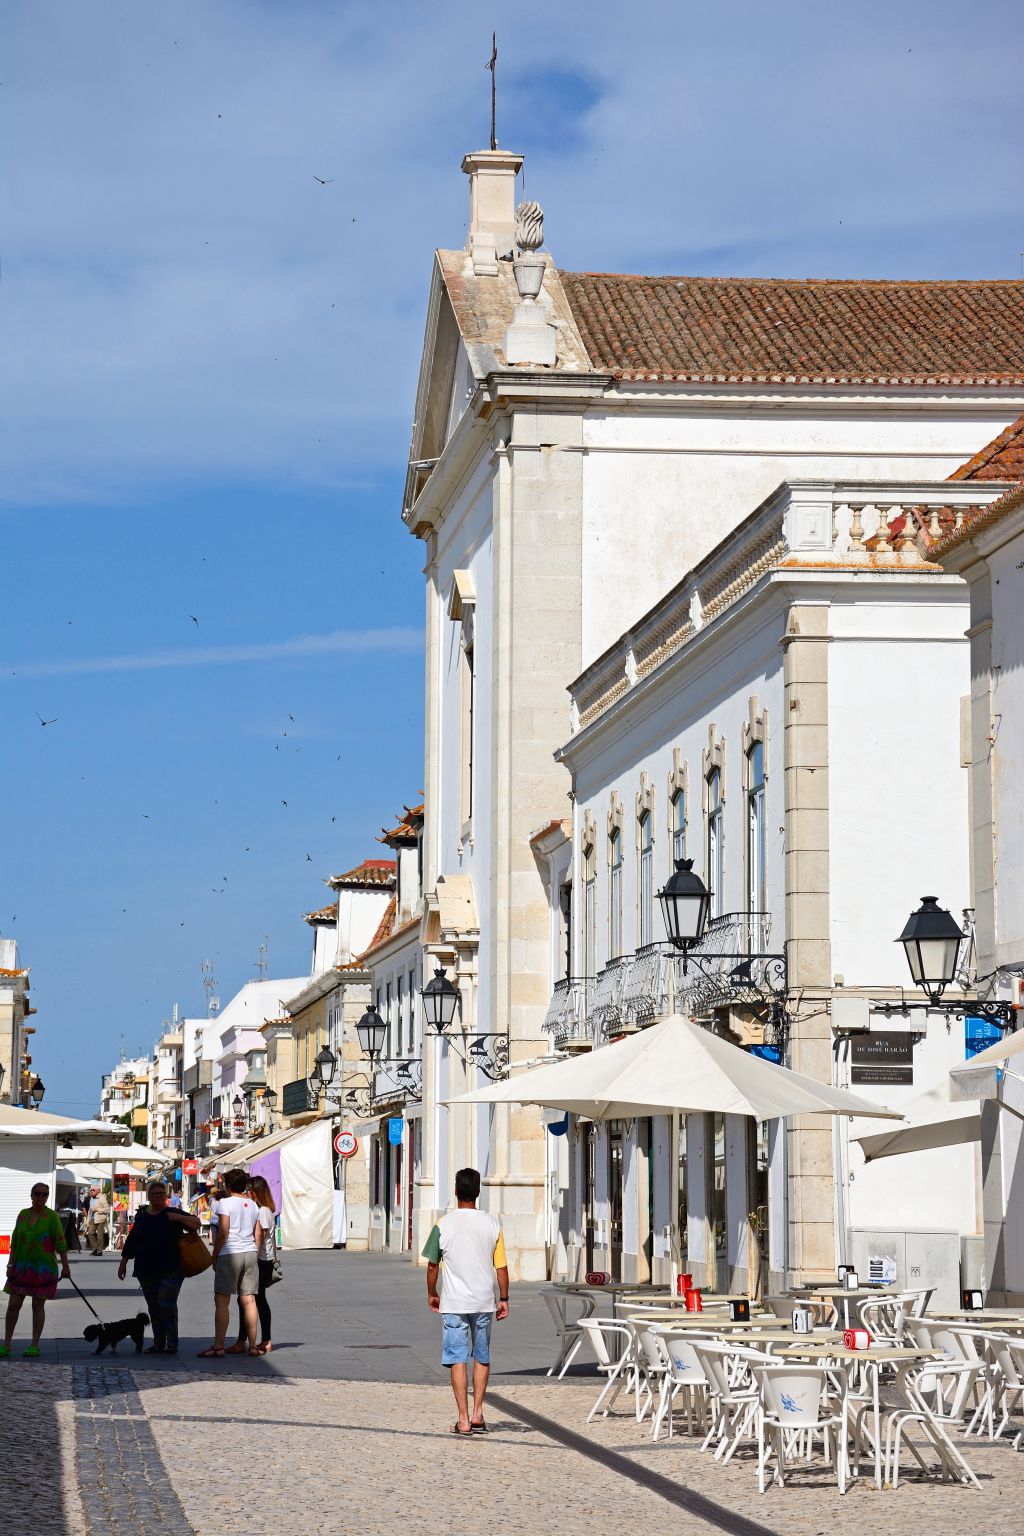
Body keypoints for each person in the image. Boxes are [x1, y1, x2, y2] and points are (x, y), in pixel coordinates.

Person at [422, 1167, 509, 1436]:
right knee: (481, 1356)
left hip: (454, 1303)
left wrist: (432, 1293)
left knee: (457, 1358)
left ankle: (462, 1419)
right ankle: (478, 1412)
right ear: (478, 1192)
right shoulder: (492, 1224)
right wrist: (503, 1298)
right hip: (484, 1301)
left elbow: (432, 1265)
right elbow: (501, 1268)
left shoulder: (443, 1225)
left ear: (456, 1191)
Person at [117, 1180, 201, 1354]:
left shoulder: (172, 1213)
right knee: (154, 1305)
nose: (159, 1197)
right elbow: (132, 1241)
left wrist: (178, 1217)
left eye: (162, 1194)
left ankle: (172, 1343)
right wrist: (123, 1263)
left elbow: (196, 1223)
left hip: (172, 1267)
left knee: (166, 1302)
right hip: (146, 1268)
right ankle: (158, 1343)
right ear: (149, 1197)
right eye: (155, 1194)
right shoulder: (142, 1217)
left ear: (166, 1196)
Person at [2, 1183, 72, 1358]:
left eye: (45, 1194)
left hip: (43, 1269)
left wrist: (66, 1267)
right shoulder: (23, 1215)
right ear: (31, 1195)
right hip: (21, 1268)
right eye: (38, 1193)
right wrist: (10, 1265)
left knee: (37, 1306)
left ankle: (34, 1344)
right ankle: (7, 1344)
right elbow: (15, 1242)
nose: (41, 1197)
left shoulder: (52, 1217)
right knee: (13, 1306)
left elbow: (61, 1244)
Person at [199, 1166, 260, 1359]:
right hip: (250, 1252)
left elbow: (223, 1232)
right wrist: (254, 1252)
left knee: (222, 1300)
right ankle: (252, 1345)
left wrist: (214, 1255)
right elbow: (257, 1232)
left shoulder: (225, 1204)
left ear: (228, 1184)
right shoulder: (253, 1204)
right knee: (249, 1300)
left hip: (230, 1252)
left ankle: (218, 1346)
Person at [226, 1175, 276, 1356]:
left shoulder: (262, 1211)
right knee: (253, 1300)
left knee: (250, 1300)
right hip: (265, 1259)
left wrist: (251, 1255)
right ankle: (251, 1339)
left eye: (249, 1191)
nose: (247, 1194)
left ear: (255, 1192)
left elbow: (260, 1237)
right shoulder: (267, 1210)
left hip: (260, 1260)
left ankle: (258, 1340)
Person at [85, 1186, 110, 1255]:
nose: (91, 1191)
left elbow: (107, 1209)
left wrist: (98, 1210)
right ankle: (95, 1248)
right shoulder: (91, 1198)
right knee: (90, 1233)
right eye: (91, 1190)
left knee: (100, 1235)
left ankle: (99, 1251)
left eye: (93, 1190)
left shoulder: (102, 1198)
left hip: (100, 1218)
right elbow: (90, 1210)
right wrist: (88, 1219)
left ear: (98, 1191)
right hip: (92, 1219)